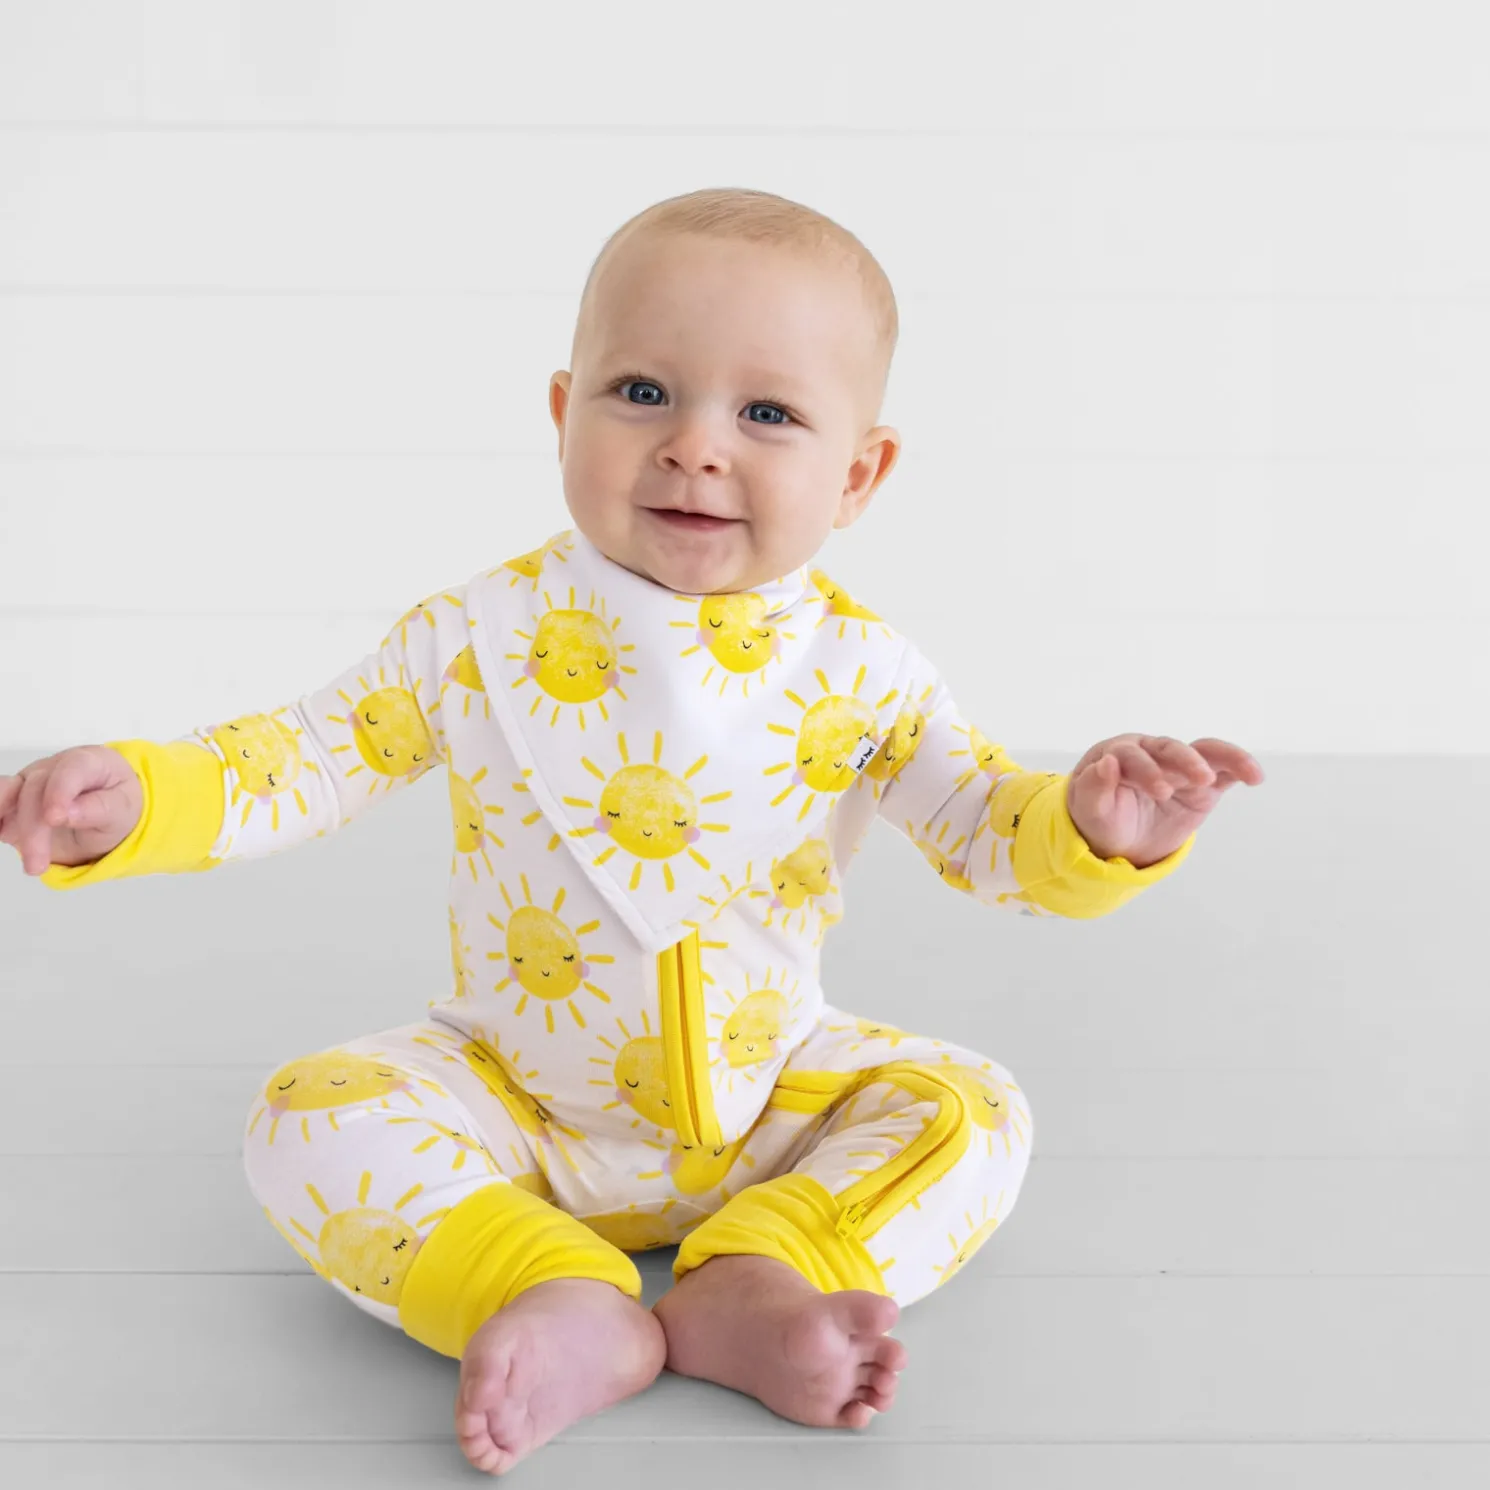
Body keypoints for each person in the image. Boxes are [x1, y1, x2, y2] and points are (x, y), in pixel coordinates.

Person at [0, 187, 1264, 1477]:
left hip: (773, 1098)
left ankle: (761, 1273)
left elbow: (986, 832)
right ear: (565, 414)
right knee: (308, 1116)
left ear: (859, 474)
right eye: (643, 393)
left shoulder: (867, 672)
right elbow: (305, 758)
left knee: (975, 1110)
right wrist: (141, 798)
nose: (694, 448)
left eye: (767, 414)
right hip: (516, 1100)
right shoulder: (477, 635)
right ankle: (547, 1290)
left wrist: (1096, 828)